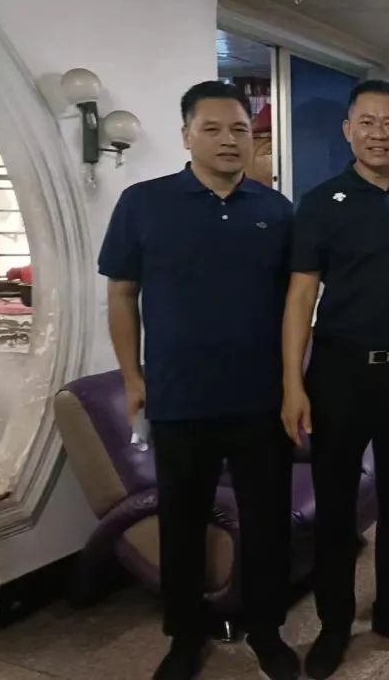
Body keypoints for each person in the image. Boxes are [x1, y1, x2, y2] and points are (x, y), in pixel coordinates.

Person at [99, 81, 298, 680]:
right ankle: (185, 636)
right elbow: (122, 294)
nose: (228, 140)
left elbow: (296, 303)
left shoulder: (276, 211)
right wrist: (132, 376)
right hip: (179, 398)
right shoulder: (143, 203)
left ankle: (267, 631)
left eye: (240, 129)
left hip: (260, 400)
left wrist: (294, 384)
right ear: (186, 135)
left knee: (266, 523)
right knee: (182, 524)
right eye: (212, 129)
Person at [281, 79, 389, 679]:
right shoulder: (320, 202)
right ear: (348, 130)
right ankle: (332, 624)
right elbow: (301, 297)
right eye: (368, 122)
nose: (380, 133)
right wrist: (293, 384)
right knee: (337, 504)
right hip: (339, 370)